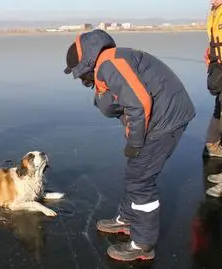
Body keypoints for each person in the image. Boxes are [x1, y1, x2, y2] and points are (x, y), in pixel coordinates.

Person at [64, 29, 195, 261]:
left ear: (87, 63)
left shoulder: (109, 64)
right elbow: (122, 102)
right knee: (135, 171)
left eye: (82, 75)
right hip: (163, 115)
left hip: (165, 121)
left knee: (140, 180)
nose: (83, 80)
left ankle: (143, 243)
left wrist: (136, 142)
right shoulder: (110, 61)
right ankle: (127, 218)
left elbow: (139, 102)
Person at [205, 0, 222, 158]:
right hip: (217, 64)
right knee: (219, 103)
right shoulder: (214, 11)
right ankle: (212, 144)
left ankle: (213, 143)